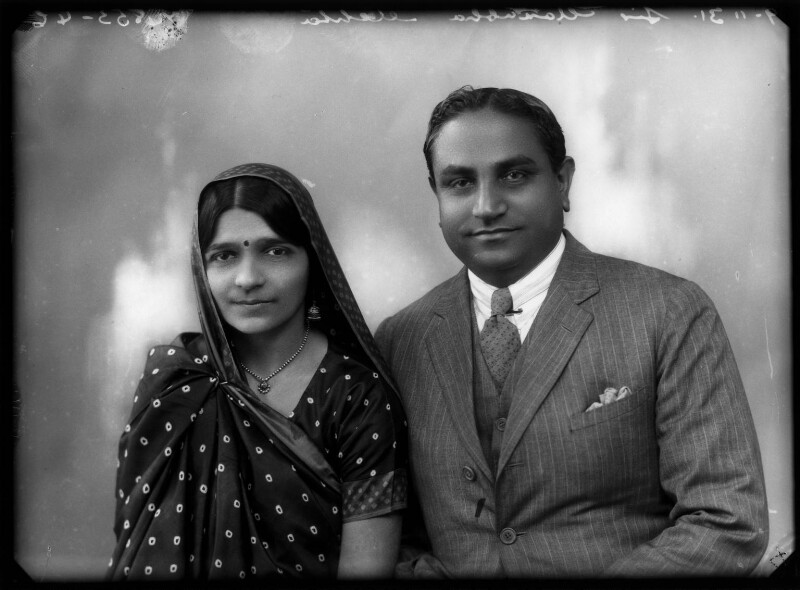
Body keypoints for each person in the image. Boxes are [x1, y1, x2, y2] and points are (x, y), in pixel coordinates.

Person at [375, 86, 768, 577]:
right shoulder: (399, 340)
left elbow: (726, 522)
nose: (486, 205)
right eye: (458, 183)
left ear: (563, 182)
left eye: (514, 175)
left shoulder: (668, 311)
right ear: (436, 195)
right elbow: (391, 537)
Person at [109, 163, 408, 580]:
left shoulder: (354, 394)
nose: (248, 278)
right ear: (202, 268)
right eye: (225, 256)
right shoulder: (177, 379)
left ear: (313, 261)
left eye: (276, 251)